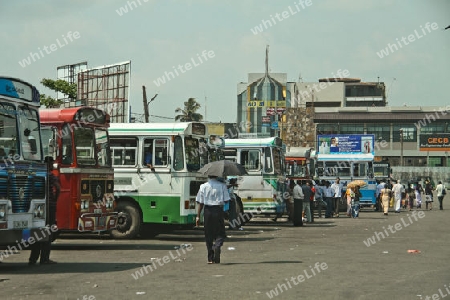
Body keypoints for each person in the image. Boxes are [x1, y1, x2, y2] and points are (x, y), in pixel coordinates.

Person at [29, 156, 60, 265]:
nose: (52, 166)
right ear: (48, 164)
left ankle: (33, 259)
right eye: (51, 164)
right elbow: (58, 188)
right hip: (49, 206)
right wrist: (55, 199)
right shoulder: (51, 176)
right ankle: (44, 258)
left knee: (38, 231)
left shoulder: (37, 175)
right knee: (48, 231)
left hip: (38, 206)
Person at [196, 175, 230, 264]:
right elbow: (226, 200)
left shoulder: (203, 186)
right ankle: (217, 245)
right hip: (218, 210)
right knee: (220, 233)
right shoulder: (222, 186)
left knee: (208, 234)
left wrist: (198, 216)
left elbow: (200, 202)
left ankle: (210, 258)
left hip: (207, 211)